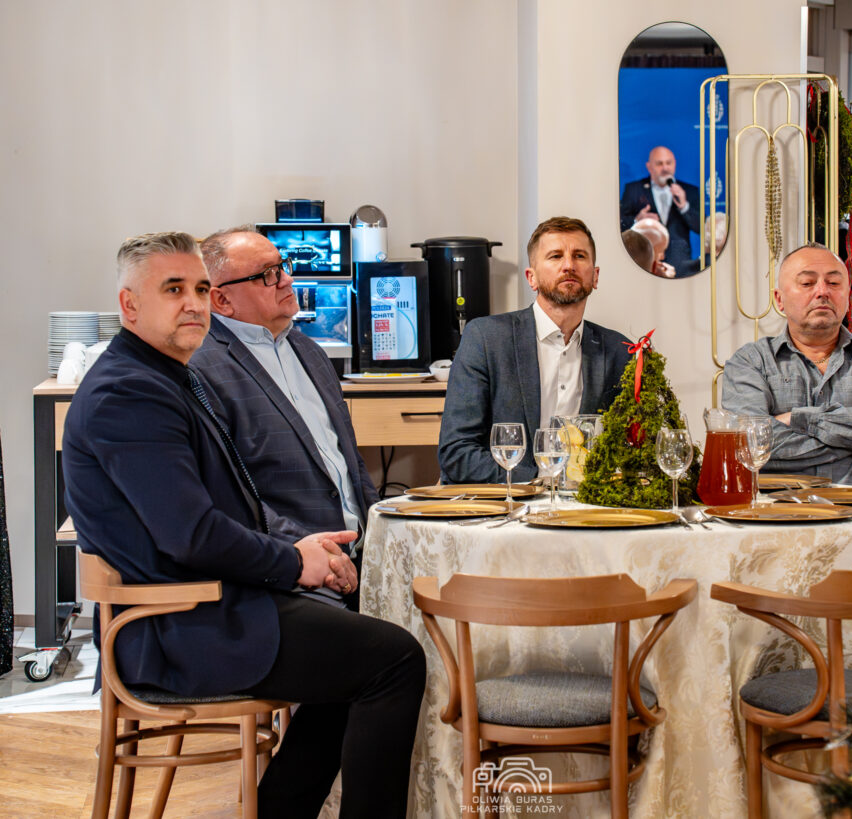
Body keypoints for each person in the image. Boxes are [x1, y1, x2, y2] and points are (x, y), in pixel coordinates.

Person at [62, 232, 424, 818]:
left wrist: (297, 548)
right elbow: (192, 535)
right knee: (393, 659)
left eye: (200, 288)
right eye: (173, 290)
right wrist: (295, 562)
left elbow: (224, 514)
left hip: (208, 603)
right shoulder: (129, 393)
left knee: (364, 655)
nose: (194, 304)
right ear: (129, 305)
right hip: (179, 625)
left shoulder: (163, 375)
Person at [190, 225, 376, 606]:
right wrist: (311, 556)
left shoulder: (310, 351)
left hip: (362, 555)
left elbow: (350, 463)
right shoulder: (202, 369)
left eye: (283, 266)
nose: (287, 280)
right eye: (267, 275)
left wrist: (382, 531)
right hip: (290, 572)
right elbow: (233, 499)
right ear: (221, 299)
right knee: (396, 642)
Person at [439, 216, 631, 483]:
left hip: (584, 502)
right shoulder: (485, 339)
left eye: (579, 256)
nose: (568, 265)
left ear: (595, 276)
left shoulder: (620, 351)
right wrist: (537, 482)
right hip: (507, 499)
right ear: (532, 278)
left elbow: (631, 446)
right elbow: (456, 452)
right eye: (555, 256)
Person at [721, 242, 852, 488]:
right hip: (779, 508)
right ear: (779, 299)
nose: (823, 291)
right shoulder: (750, 362)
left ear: (848, 296)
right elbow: (750, 446)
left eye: (834, 283)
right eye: (807, 283)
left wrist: (796, 419)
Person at [619, 145, 702, 276]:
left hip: (680, 267)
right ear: (649, 167)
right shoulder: (634, 189)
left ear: (675, 164)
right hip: (643, 264)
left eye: (669, 163)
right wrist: (637, 220)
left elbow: (702, 227)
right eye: (659, 164)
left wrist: (684, 207)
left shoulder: (689, 191)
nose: (665, 168)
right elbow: (619, 223)